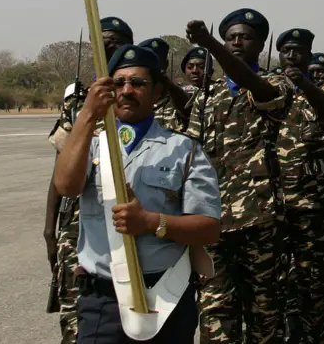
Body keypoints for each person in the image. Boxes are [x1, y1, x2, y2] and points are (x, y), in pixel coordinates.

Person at [53, 43, 220, 343]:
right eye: (119, 83)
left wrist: (151, 222)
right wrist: (88, 115)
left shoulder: (185, 149)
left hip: (165, 295)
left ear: (157, 92)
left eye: (138, 83)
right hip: (102, 300)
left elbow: (208, 229)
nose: (126, 90)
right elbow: (66, 185)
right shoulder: (91, 144)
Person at [185, 10, 292, 344]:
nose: (236, 42)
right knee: (215, 311)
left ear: (261, 44)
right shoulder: (207, 94)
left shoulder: (275, 84)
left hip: (258, 220)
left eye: (244, 37)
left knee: (264, 313)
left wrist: (210, 44)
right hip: (211, 221)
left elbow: (255, 87)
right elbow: (190, 150)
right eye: (230, 37)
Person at [44, 17, 133, 344]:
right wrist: (49, 229)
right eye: (103, 41)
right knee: (75, 312)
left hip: (125, 217)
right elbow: (59, 169)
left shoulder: (139, 94)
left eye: (117, 42)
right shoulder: (77, 101)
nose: (109, 47)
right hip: (77, 222)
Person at [275, 28, 324, 344]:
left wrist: (303, 82)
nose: (291, 56)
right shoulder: (270, 89)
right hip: (272, 205)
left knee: (313, 279)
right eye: (286, 50)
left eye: (298, 51)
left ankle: (316, 335)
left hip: (313, 206)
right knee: (277, 280)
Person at [138, 38, 192, 131]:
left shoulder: (177, 95)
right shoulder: (131, 93)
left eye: (155, 61)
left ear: (165, 64)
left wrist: (166, 82)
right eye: (146, 61)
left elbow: (188, 110)